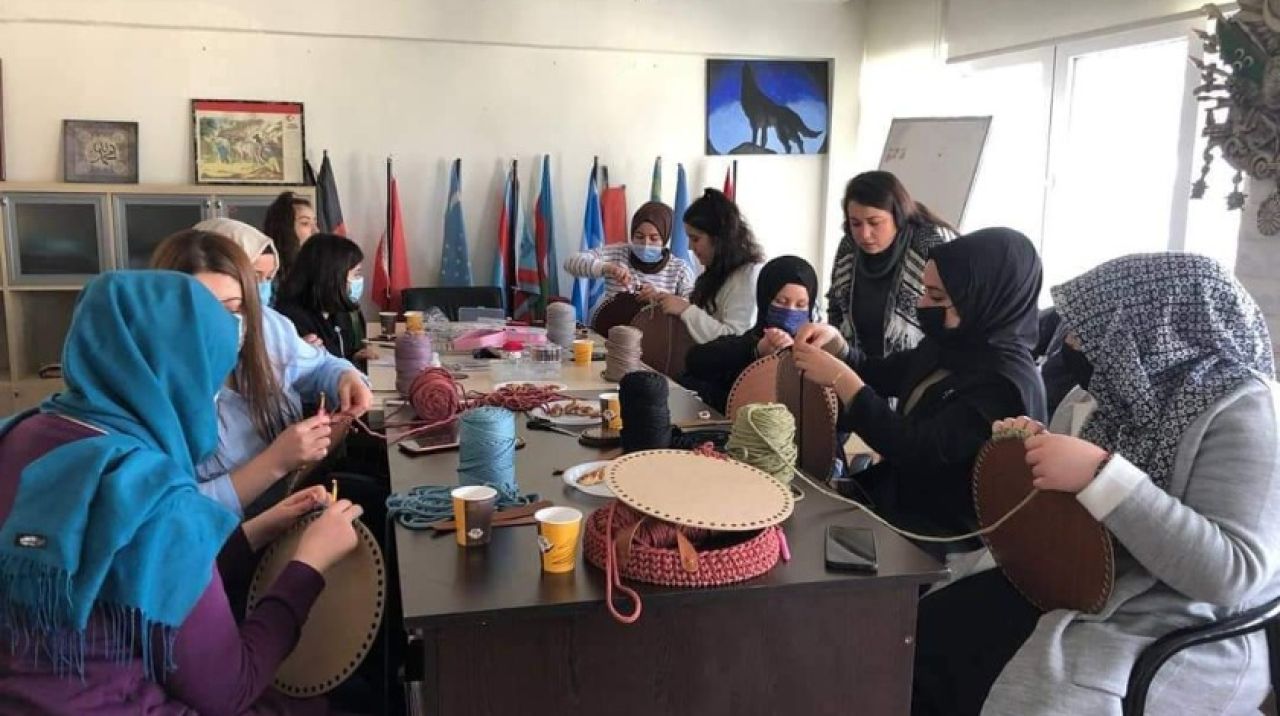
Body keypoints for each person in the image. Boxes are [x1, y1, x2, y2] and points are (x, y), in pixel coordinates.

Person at [912, 253, 1280, 716]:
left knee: (994, 681)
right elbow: (1067, 514)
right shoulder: (1104, 393)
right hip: (1078, 577)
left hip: (1178, 620)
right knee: (924, 633)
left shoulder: (1246, 412)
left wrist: (1102, 476)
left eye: (1086, 331)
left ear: (1149, 333)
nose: (1071, 344)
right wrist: (1031, 456)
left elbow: (1231, 574)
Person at [0, 271, 364, 714]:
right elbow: (230, 689)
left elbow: (127, 570)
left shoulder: (18, 434)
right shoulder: (150, 488)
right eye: (212, 380)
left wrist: (251, 533)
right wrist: (309, 565)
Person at [792, 228, 1046, 546]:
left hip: (942, 534)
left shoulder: (1005, 386)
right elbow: (884, 372)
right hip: (900, 498)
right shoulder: (950, 344)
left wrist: (843, 381)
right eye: (925, 290)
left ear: (983, 299)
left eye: (937, 297)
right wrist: (839, 348)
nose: (922, 304)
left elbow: (916, 448)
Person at [151, 222, 373, 517]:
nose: (220, 323)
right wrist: (275, 462)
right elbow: (173, 514)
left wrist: (345, 377)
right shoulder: (154, 391)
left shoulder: (267, 327)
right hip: (227, 535)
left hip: (292, 498)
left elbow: (319, 365)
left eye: (233, 308)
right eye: (202, 309)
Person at [826, 171, 953, 360]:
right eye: (856, 224)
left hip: (917, 365)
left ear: (898, 216)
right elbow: (836, 307)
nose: (865, 234)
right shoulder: (848, 247)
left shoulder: (930, 245)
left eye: (874, 223)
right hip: (856, 364)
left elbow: (950, 317)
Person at [680, 255, 818, 413]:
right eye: (781, 302)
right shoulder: (746, 343)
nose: (790, 311)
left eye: (801, 305)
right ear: (765, 300)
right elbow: (695, 361)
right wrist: (756, 351)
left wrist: (793, 359)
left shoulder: (818, 351)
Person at [640, 188, 764, 343]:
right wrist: (673, 304)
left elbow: (735, 340)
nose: (690, 247)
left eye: (695, 239)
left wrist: (685, 310)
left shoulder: (748, 275)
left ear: (718, 238)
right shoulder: (717, 268)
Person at [564, 201, 695, 315]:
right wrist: (607, 268)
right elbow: (570, 262)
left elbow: (693, 308)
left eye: (654, 238)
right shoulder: (617, 254)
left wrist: (659, 297)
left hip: (657, 334)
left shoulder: (679, 269)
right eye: (639, 236)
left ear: (665, 239)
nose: (646, 244)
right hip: (612, 330)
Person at [275, 234, 377, 367]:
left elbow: (336, 352)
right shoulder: (292, 319)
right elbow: (315, 369)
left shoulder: (334, 308)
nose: (359, 280)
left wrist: (353, 356)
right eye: (356, 274)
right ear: (333, 276)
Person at [263, 190, 319, 277]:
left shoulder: (318, 267)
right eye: (305, 223)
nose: (316, 231)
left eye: (315, 223)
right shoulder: (267, 271)